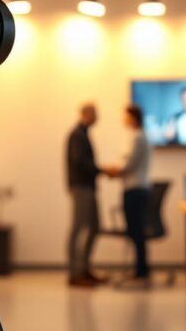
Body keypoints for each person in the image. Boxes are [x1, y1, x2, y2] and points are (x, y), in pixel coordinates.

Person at [106, 104, 153, 284]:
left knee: (136, 231)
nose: (123, 120)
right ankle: (141, 269)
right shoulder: (139, 136)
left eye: (125, 116)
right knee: (136, 230)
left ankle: (141, 271)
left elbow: (129, 164)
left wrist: (113, 172)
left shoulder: (137, 137)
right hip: (136, 187)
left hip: (134, 189)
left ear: (133, 117)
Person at [66, 103, 104, 287]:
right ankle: (75, 273)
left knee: (95, 227)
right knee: (79, 228)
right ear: (87, 114)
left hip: (88, 186)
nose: (98, 117)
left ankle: (85, 269)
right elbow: (79, 161)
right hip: (82, 187)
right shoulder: (77, 135)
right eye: (96, 114)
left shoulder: (83, 133)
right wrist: (102, 170)